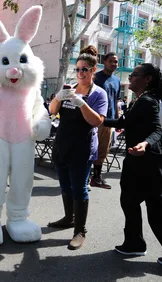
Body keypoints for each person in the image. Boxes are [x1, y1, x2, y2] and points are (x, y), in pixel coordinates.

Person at [48, 45, 108, 250]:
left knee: (79, 188)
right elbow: (52, 111)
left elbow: (97, 121)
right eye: (78, 69)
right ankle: (68, 218)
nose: (80, 73)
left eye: (85, 69)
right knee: (65, 186)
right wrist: (58, 97)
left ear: (93, 70)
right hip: (62, 145)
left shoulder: (99, 94)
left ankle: (80, 230)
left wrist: (81, 103)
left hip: (82, 149)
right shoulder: (69, 88)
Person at [104, 63, 162, 266]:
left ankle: (135, 243)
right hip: (135, 161)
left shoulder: (148, 101)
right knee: (130, 202)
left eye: (135, 75)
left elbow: (157, 130)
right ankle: (134, 243)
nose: (131, 77)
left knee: (154, 209)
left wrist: (145, 144)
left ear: (147, 79)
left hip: (147, 162)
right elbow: (123, 124)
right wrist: (99, 120)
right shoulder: (138, 101)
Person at [90, 52, 121, 189]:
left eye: (116, 62)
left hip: (109, 122)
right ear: (104, 62)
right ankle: (85, 177)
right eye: (111, 61)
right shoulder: (95, 78)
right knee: (90, 149)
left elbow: (115, 100)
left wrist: (117, 119)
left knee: (103, 150)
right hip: (95, 120)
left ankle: (96, 178)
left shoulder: (117, 80)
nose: (114, 64)